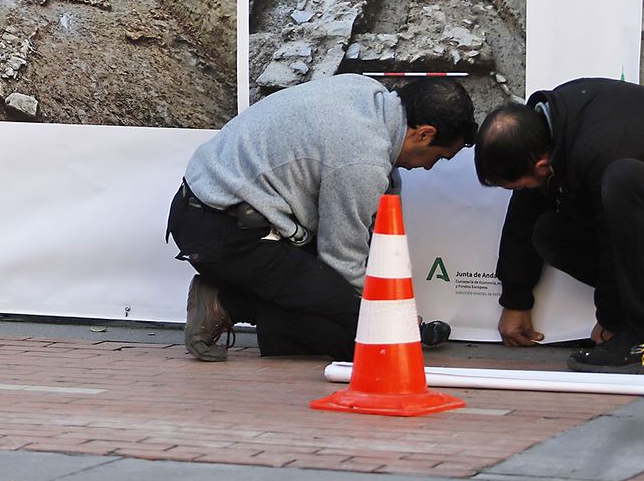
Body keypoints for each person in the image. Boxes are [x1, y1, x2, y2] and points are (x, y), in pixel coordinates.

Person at [166, 74, 475, 361]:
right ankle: (227, 302)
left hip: (211, 210)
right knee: (367, 339)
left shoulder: (368, 94)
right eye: (439, 156)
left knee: (353, 312)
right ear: (424, 134)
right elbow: (342, 260)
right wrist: (391, 317)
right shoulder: (362, 158)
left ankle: (229, 301)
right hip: (225, 233)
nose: (430, 167)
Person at [475, 77, 644, 374]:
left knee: (623, 180)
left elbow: (616, 235)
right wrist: (515, 299)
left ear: (542, 166)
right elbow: (526, 209)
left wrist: (612, 319)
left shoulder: (602, 146)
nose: (524, 190)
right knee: (549, 232)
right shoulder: (552, 125)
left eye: (521, 183)